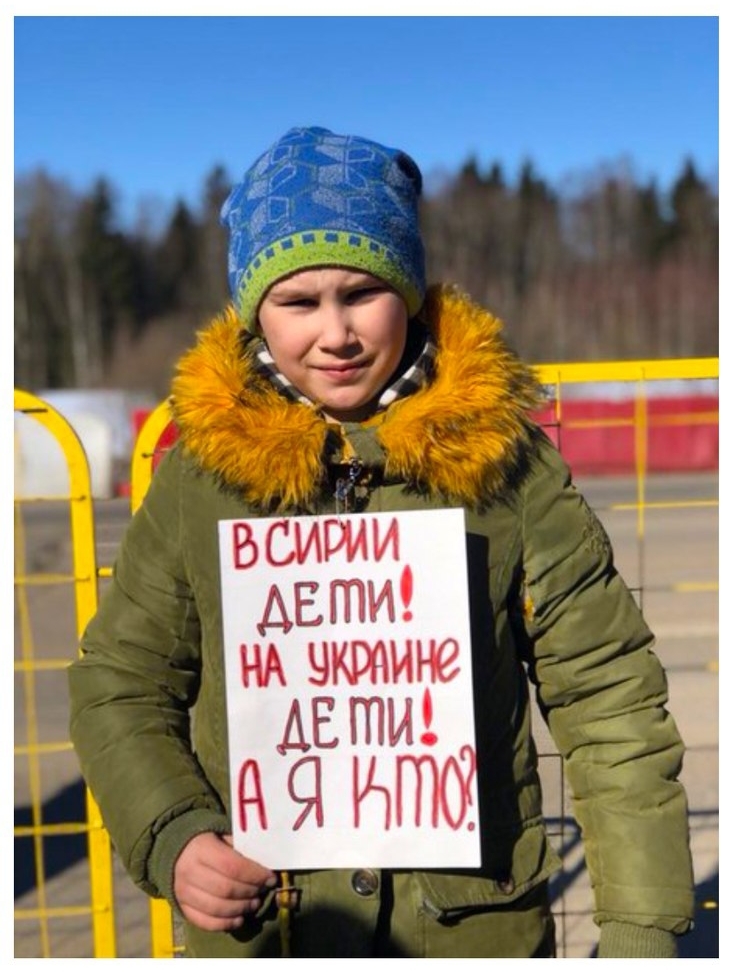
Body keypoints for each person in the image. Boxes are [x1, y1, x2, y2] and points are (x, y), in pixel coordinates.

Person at [68, 126, 694, 959]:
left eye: (362, 292)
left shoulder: (509, 470)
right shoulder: (199, 482)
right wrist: (173, 835)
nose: (336, 334)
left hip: (477, 934)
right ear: (255, 310)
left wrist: (643, 931)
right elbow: (119, 683)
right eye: (298, 302)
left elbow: (608, 698)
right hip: (270, 932)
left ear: (409, 287)